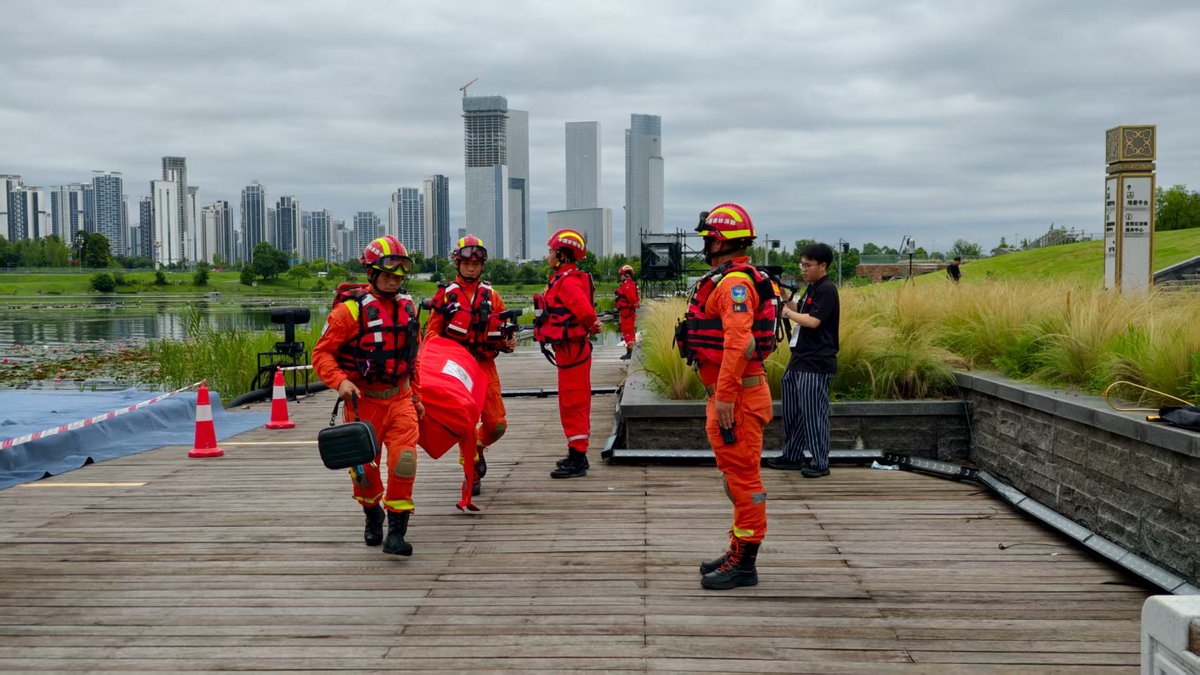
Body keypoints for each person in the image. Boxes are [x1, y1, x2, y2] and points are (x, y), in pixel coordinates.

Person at [678, 203, 778, 590]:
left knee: (744, 481)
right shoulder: (730, 279)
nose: (705, 245)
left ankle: (744, 563)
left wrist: (724, 395)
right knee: (734, 478)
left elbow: (739, 341)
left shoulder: (735, 285)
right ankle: (738, 546)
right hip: (732, 394)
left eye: (708, 238)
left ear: (721, 241)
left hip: (737, 397)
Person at [313, 235, 425, 557]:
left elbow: (412, 361)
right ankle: (372, 513)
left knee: (404, 461)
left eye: (398, 277)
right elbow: (322, 355)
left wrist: (417, 399)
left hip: (401, 399)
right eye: (387, 275)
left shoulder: (407, 309)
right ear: (371, 274)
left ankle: (397, 533)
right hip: (363, 403)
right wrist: (340, 383)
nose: (393, 282)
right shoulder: (349, 313)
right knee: (365, 471)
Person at [424, 235, 516, 497]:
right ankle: (471, 470)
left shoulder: (492, 296)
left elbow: (502, 330)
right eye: (466, 263)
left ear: (482, 266)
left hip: (485, 365)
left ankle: (477, 446)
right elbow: (431, 336)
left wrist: (507, 343)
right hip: (458, 368)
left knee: (497, 424)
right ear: (458, 264)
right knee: (464, 421)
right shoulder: (445, 296)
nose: (471, 268)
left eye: (476, 264)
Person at [767, 242, 840, 478]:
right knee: (793, 412)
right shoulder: (813, 287)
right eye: (802, 264)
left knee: (813, 413)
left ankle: (820, 462)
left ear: (823, 265)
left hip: (816, 362)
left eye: (808, 265)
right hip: (800, 358)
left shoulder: (827, 289)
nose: (803, 269)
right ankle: (793, 455)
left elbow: (813, 320)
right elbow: (803, 310)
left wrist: (787, 314)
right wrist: (785, 297)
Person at [533, 228, 601, 479]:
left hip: (573, 351)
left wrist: (591, 325)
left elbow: (585, 312)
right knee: (569, 402)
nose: (548, 255)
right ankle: (575, 452)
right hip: (568, 350)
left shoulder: (568, 281)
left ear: (562, 254)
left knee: (574, 403)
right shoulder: (563, 278)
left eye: (551, 251)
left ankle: (579, 458)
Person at [614, 264, 640, 360]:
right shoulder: (628, 284)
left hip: (627, 313)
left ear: (626, 275)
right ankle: (629, 352)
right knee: (628, 332)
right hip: (626, 312)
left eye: (621, 275)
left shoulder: (628, 285)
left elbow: (632, 299)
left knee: (628, 332)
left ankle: (629, 353)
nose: (620, 277)